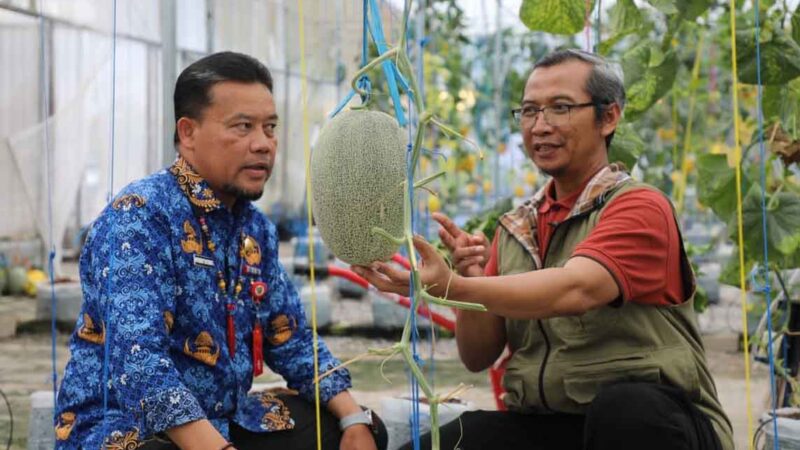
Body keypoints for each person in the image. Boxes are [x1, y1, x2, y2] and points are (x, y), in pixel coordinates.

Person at [353, 49, 733, 450]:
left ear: (608, 117)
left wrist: (451, 287)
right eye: (530, 111)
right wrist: (471, 280)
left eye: (560, 108)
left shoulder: (639, 206)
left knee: (626, 410)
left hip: (657, 427)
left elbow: (577, 289)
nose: (540, 125)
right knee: (459, 438)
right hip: (556, 424)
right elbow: (477, 356)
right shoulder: (518, 227)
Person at [55, 51, 386, 450]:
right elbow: (140, 362)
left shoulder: (255, 229)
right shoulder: (139, 217)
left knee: (355, 430)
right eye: (243, 127)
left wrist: (353, 417)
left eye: (270, 127)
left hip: (224, 419)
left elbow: (290, 337)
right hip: (129, 430)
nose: (263, 144)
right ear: (188, 133)